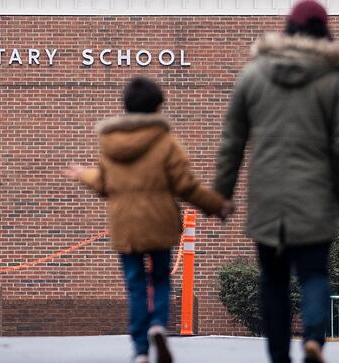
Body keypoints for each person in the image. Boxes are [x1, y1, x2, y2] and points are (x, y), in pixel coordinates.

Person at [214, 0, 339, 363]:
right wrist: (338, 191)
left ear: (288, 29)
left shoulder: (254, 74)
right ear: (324, 33)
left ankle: (279, 357)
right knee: (314, 273)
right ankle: (313, 338)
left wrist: (223, 193)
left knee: (272, 280)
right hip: (315, 194)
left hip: (267, 196)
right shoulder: (335, 79)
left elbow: (233, 138)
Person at [65, 76, 232, 363]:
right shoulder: (166, 142)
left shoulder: (110, 142)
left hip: (125, 225)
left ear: (125, 106)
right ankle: (157, 325)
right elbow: (186, 186)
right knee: (161, 279)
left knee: (135, 285)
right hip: (159, 222)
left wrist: (84, 175)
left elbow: (104, 183)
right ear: (157, 107)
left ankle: (141, 349)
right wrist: (217, 206)